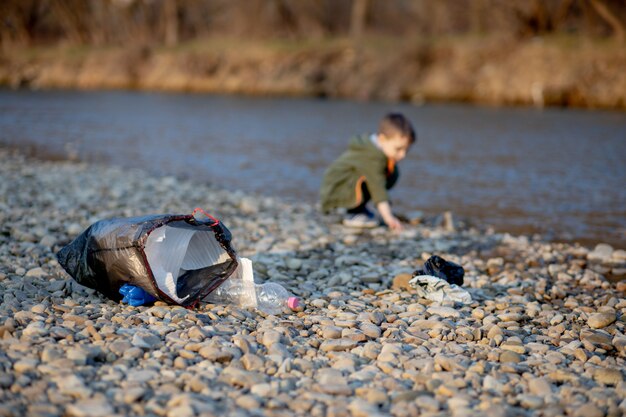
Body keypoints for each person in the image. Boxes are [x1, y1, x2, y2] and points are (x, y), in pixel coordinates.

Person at [320, 112, 416, 231]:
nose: (403, 155)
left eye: (406, 149)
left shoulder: (379, 152)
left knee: (392, 173)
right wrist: (389, 218)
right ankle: (346, 210)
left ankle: (357, 208)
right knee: (377, 177)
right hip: (334, 194)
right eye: (398, 149)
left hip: (344, 188)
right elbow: (377, 187)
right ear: (382, 139)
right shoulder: (371, 156)